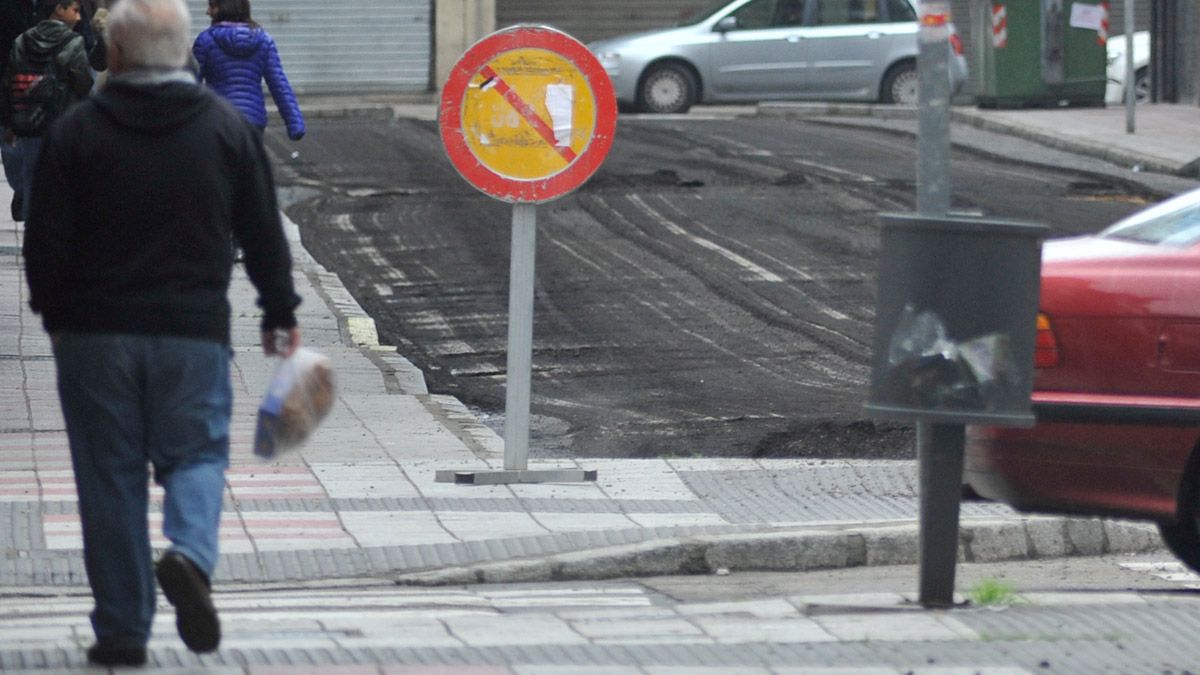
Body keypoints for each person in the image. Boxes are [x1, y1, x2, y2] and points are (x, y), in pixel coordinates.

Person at [21, 0, 301, 665]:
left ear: (114, 54)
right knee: (198, 454)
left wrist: (56, 317)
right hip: (192, 332)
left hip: (94, 335)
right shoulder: (225, 128)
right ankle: (190, 554)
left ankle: (122, 628)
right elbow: (263, 228)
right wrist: (279, 312)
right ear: (184, 51)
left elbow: (45, 236)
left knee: (107, 477)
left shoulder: (79, 130)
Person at [0, 0, 95, 221]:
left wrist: (8, 118)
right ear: (60, 10)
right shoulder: (74, 42)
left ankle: (32, 220)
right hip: (62, 120)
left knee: (29, 172)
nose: (79, 17)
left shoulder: (22, 40)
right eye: (75, 10)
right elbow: (83, 83)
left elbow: (8, 81)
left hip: (27, 117)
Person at [192, 0, 304, 140]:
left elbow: (191, 85)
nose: (207, 11)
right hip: (253, 121)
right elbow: (279, 85)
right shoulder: (264, 40)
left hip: (218, 120)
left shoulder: (205, 41)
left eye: (212, 6)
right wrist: (295, 124)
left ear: (225, 8)